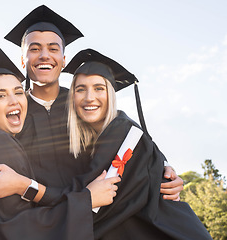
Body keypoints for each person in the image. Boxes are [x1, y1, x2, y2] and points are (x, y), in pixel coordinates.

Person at [0, 5, 183, 236]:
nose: (44, 55)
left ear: (63, 60)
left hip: (95, 225)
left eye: (53, 48)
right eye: (34, 48)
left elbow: (130, 143)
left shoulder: (86, 107)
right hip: (36, 227)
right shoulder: (8, 116)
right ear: (22, 60)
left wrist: (164, 170)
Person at [0, 47, 119, 240]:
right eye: (0, 95)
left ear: (63, 59)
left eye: (18, 92)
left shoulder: (77, 107)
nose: (13, 101)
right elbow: (17, 226)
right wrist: (86, 200)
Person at [62, 48, 212, 239]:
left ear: (111, 94)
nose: (89, 97)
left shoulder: (123, 131)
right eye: (80, 89)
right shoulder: (93, 138)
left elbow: (92, 201)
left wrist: (34, 191)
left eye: (99, 88)